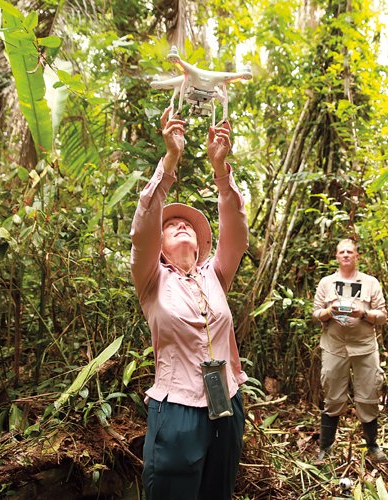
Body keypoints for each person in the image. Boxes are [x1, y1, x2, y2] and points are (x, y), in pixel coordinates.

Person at [130, 106, 248, 499]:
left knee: (219, 492)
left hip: (226, 402)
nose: (179, 226)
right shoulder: (152, 280)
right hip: (176, 410)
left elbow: (237, 230)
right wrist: (171, 158)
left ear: (200, 245)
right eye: (171, 227)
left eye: (187, 226)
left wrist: (220, 166)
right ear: (160, 249)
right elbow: (145, 221)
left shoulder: (215, 274)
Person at [312, 239, 388, 462]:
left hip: (364, 348)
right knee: (333, 397)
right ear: (336, 257)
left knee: (369, 395)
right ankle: (325, 449)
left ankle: (372, 446)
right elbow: (315, 314)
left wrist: (363, 313)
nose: (345, 255)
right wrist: (329, 311)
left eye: (350, 252)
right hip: (334, 347)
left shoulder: (370, 282)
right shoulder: (327, 283)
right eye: (341, 252)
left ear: (357, 256)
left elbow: (382, 316)